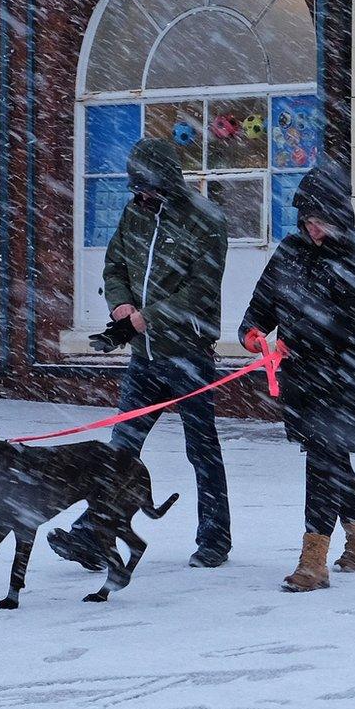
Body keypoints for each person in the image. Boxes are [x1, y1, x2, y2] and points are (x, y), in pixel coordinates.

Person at [50, 137, 231, 570]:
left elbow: (201, 291)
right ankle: (92, 534)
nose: (143, 197)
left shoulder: (206, 220)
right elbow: (115, 266)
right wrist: (121, 304)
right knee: (120, 451)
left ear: (168, 181)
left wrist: (149, 316)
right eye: (138, 189)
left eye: (149, 189)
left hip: (189, 354)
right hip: (143, 359)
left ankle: (215, 540)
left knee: (202, 451)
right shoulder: (134, 213)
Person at [239, 161, 355, 593]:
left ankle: (313, 561)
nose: (313, 229)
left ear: (340, 216)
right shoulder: (289, 252)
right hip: (302, 374)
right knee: (330, 455)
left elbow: (349, 321)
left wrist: (297, 339)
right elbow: (262, 306)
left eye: (321, 220)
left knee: (321, 459)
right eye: (307, 220)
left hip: (348, 372)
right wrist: (253, 334)